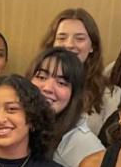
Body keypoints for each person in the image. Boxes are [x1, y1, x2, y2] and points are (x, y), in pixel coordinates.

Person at [39, 8, 109, 138]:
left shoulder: (110, 94)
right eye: (62, 38)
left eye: (79, 38)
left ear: (92, 46)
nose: (69, 45)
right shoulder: (36, 84)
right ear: (52, 44)